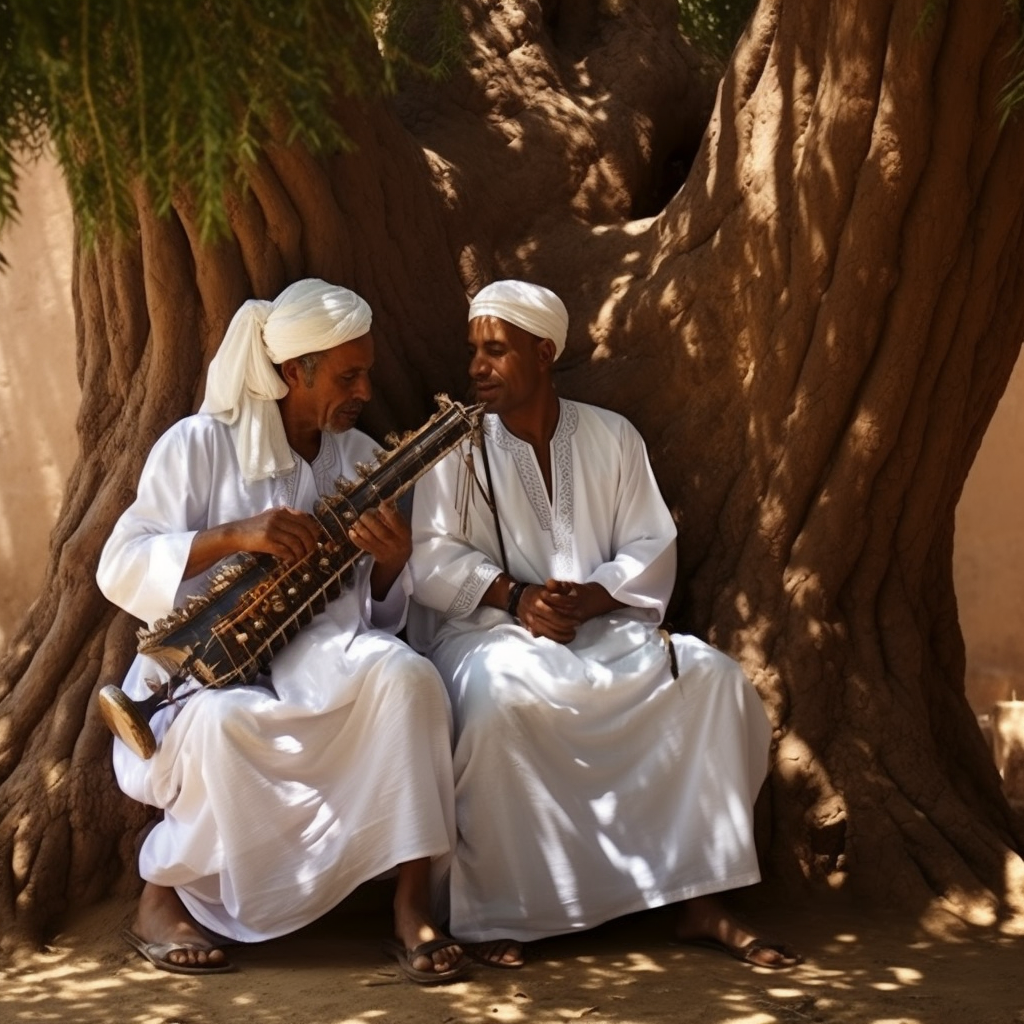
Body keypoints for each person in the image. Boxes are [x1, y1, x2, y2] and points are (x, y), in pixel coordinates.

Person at [407, 280, 802, 970]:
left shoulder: (612, 436)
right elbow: (432, 558)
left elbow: (651, 545)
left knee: (710, 680)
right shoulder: (458, 449)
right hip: (489, 635)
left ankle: (699, 896)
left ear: (543, 351)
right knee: (501, 702)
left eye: (495, 350)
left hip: (603, 629)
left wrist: (593, 597)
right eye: (473, 350)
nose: (476, 367)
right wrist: (515, 595)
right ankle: (502, 912)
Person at [97, 278, 467, 982]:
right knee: (221, 727)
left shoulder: (358, 457)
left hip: (320, 653)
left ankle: (412, 900)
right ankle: (162, 895)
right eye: (347, 374)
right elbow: (119, 565)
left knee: (410, 679)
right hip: (199, 669)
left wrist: (390, 566)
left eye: (366, 372)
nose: (363, 389)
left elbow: (373, 608)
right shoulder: (199, 445)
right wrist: (233, 536)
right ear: (296, 372)